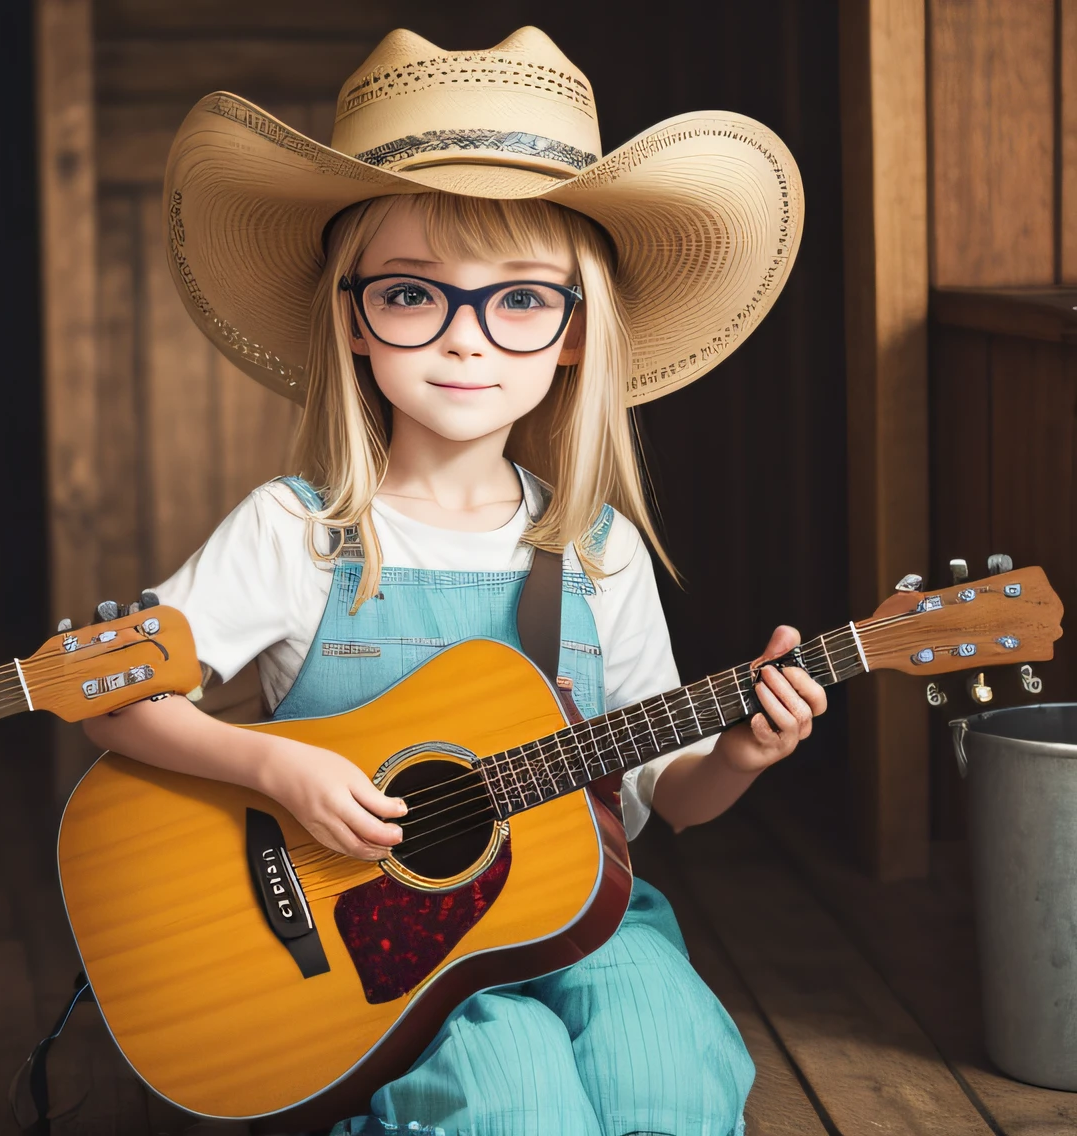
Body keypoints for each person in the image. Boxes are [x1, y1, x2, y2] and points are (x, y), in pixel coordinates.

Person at [84, 27, 821, 1135]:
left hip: (582, 916)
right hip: (372, 954)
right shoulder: (297, 532)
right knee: (514, 1098)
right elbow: (107, 693)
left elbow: (665, 791)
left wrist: (741, 751)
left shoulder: (595, 548)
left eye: (521, 299)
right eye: (415, 294)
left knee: (670, 1075)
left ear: (576, 333)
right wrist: (274, 767)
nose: (467, 340)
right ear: (351, 316)